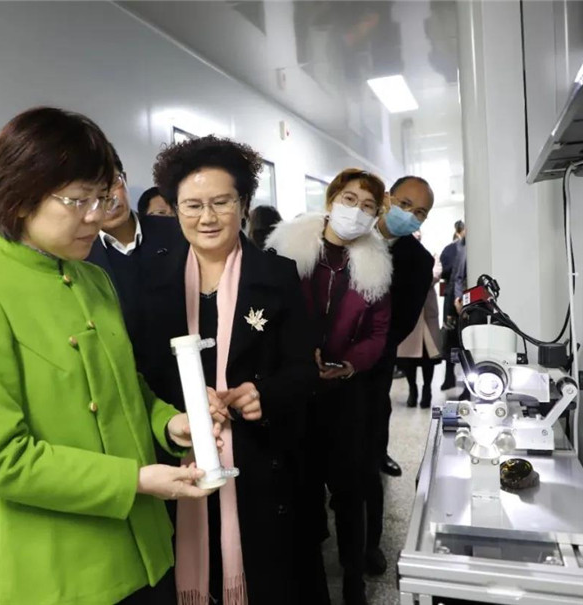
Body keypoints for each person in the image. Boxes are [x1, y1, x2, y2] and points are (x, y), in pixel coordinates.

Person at [0, 107, 221, 605]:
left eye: (102, 197)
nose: (97, 215)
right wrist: (132, 480)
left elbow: (126, 386)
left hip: (145, 547)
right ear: (20, 196)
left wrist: (169, 424)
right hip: (61, 567)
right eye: (78, 200)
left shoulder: (93, 279)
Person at [137, 135, 319, 604]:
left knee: (265, 579)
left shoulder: (277, 275)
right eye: (192, 205)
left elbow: (303, 370)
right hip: (179, 460)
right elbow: (140, 374)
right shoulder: (149, 279)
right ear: (175, 209)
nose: (207, 217)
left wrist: (264, 394)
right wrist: (180, 409)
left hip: (259, 461)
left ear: (244, 205)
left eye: (221, 202)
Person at [268, 168, 392, 605]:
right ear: (332, 198)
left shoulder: (375, 266)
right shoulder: (288, 249)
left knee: (350, 490)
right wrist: (299, 356)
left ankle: (354, 581)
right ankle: (312, 584)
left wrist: (351, 364)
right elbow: (271, 314)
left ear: (375, 217)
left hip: (344, 392)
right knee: (302, 490)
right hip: (295, 391)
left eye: (367, 206)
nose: (356, 211)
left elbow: (378, 332)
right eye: (350, 199)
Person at [361, 175, 435, 574]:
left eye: (419, 212)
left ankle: (370, 544)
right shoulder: (349, 235)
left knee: (368, 456)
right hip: (318, 367)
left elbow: (401, 323)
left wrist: (360, 355)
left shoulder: (418, 261)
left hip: (372, 369)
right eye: (405, 204)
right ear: (387, 198)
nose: (410, 215)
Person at [86, 150, 183, 344]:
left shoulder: (177, 232)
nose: (108, 199)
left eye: (112, 183)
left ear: (124, 178)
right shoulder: (80, 256)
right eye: (90, 193)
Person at [397, 249, 442, 408]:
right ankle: (413, 389)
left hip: (427, 313)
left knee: (428, 357)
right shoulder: (403, 255)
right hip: (409, 311)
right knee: (408, 358)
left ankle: (427, 390)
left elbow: (435, 275)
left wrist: (416, 278)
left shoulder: (432, 256)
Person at [439, 220, 465, 389]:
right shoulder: (451, 249)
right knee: (450, 337)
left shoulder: (466, 248)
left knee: (462, 340)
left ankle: (460, 380)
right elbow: (445, 271)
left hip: (462, 298)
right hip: (452, 300)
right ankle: (449, 377)